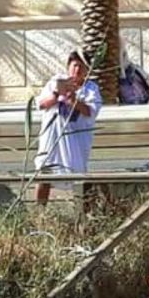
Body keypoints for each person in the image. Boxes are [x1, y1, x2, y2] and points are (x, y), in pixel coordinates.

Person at [34, 50, 102, 205]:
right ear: (68, 66)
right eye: (75, 65)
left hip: (76, 142)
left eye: (82, 67)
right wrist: (57, 93)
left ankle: (82, 219)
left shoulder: (91, 89)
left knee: (78, 178)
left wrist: (74, 100)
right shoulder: (56, 82)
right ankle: (39, 215)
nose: (77, 70)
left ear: (87, 70)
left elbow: (90, 111)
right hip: (52, 140)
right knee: (44, 176)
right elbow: (41, 104)